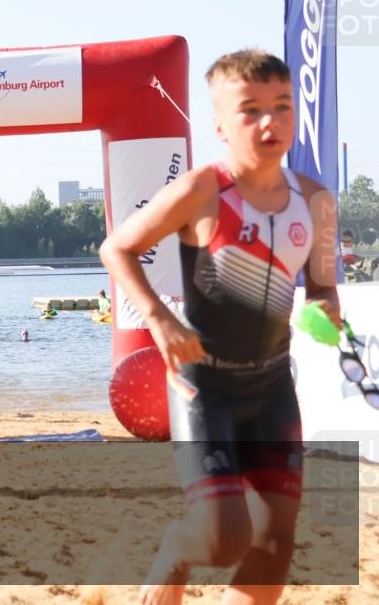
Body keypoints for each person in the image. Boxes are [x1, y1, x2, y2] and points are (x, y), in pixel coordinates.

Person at [99, 49, 340, 605]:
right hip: (204, 386)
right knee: (224, 537)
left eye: (282, 107)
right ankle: (174, 552)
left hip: (273, 389)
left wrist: (326, 307)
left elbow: (323, 287)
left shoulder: (317, 202)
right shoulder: (204, 190)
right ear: (219, 125)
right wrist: (158, 318)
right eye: (250, 110)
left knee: (275, 545)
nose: (269, 122)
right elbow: (117, 248)